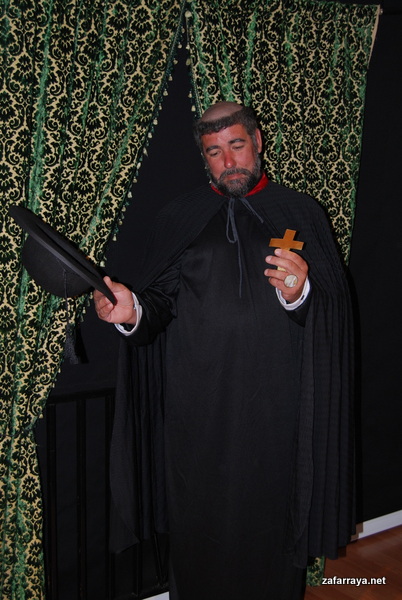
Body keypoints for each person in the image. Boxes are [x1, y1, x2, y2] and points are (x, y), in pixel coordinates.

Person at [94, 102, 354, 600]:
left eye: (236, 145)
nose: (229, 161)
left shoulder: (300, 213)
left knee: (273, 523)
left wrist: (300, 292)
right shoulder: (180, 217)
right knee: (199, 526)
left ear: (258, 142)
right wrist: (132, 312)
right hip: (198, 412)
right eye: (215, 152)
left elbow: (332, 314)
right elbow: (158, 304)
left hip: (277, 410)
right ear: (204, 158)